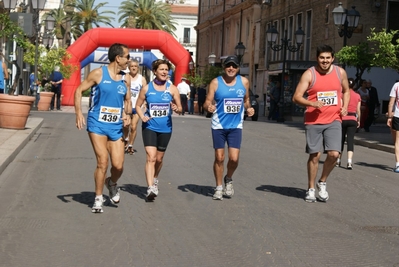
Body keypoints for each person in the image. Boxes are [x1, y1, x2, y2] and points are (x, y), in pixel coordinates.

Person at [74, 43, 132, 213]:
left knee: (118, 166)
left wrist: (127, 114)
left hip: (115, 127)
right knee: (102, 161)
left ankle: (111, 183)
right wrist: (78, 113)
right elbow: (78, 90)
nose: (128, 60)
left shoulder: (125, 78)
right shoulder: (98, 74)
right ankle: (98, 198)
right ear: (118, 58)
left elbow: (127, 100)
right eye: (127, 56)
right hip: (97, 123)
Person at [292, 44, 349, 203]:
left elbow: (346, 91)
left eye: (328, 58)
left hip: (334, 120)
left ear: (333, 58)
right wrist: (312, 104)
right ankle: (311, 189)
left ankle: (322, 182)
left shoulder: (340, 73)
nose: (325, 61)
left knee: (334, 154)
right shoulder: (309, 74)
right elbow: (296, 97)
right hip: (314, 121)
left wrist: (344, 106)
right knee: (315, 155)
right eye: (322, 58)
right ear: (317, 58)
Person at [203, 55, 254, 200]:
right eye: (228, 66)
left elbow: (246, 100)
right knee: (219, 158)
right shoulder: (215, 82)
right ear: (224, 67)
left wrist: (249, 109)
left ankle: (229, 178)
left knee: (234, 158)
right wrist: (209, 107)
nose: (231, 68)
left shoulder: (244, 82)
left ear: (238, 68)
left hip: (236, 126)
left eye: (234, 66)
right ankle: (219, 187)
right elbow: (206, 102)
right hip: (218, 125)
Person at [135, 59, 182, 201]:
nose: (164, 72)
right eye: (161, 69)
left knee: (159, 159)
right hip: (149, 126)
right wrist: (142, 116)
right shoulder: (147, 88)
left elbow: (180, 109)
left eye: (166, 70)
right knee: (151, 157)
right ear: (155, 71)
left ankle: (155, 178)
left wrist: (176, 108)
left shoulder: (172, 88)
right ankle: (150, 187)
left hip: (166, 128)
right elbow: (138, 105)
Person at [123, 59, 147, 155]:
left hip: (137, 106)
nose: (133, 68)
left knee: (133, 127)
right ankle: (126, 138)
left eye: (135, 66)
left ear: (138, 68)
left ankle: (130, 145)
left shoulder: (142, 79)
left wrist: (145, 103)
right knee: (126, 125)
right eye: (132, 66)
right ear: (129, 67)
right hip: (126, 106)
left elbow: (146, 91)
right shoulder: (125, 77)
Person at [336, 78, 361, 170]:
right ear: (354, 85)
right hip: (352, 119)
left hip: (343, 119)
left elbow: (340, 107)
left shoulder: (342, 95)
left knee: (340, 140)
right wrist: (358, 120)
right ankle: (349, 162)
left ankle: (338, 160)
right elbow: (358, 110)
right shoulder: (357, 96)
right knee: (350, 140)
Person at [387, 80, 399, 173]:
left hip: (397, 116)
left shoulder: (396, 85)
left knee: (397, 142)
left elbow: (391, 103)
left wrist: (390, 117)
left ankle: (398, 164)